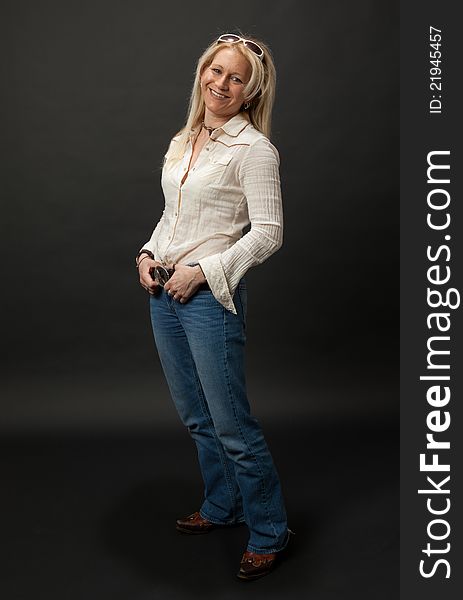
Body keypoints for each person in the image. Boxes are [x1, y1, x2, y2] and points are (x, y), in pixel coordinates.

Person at [135, 32, 293, 580]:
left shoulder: (254, 150)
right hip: (163, 292)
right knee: (197, 419)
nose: (220, 84)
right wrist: (148, 252)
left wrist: (205, 271)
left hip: (207, 300)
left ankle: (270, 531)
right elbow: (173, 217)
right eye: (215, 71)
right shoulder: (185, 140)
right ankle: (222, 507)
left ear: (250, 93)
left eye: (235, 79)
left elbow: (268, 233)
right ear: (203, 71)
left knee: (231, 426)